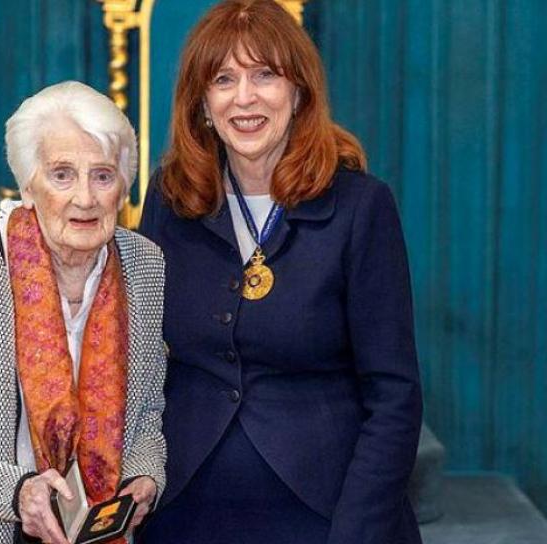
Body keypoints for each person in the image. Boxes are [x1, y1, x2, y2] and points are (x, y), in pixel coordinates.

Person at [137, 1, 422, 542]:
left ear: (299, 92)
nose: (244, 98)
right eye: (223, 79)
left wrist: (358, 530)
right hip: (183, 509)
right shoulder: (170, 199)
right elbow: (143, 360)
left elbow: (394, 395)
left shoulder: (361, 207)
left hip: (324, 512)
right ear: (202, 102)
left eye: (264, 74)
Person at [0, 81, 166, 544]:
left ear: (124, 187)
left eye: (103, 175)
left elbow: (146, 412)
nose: (85, 198)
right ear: (29, 186)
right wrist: (17, 492)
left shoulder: (145, 266)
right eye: (62, 175)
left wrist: (145, 474)